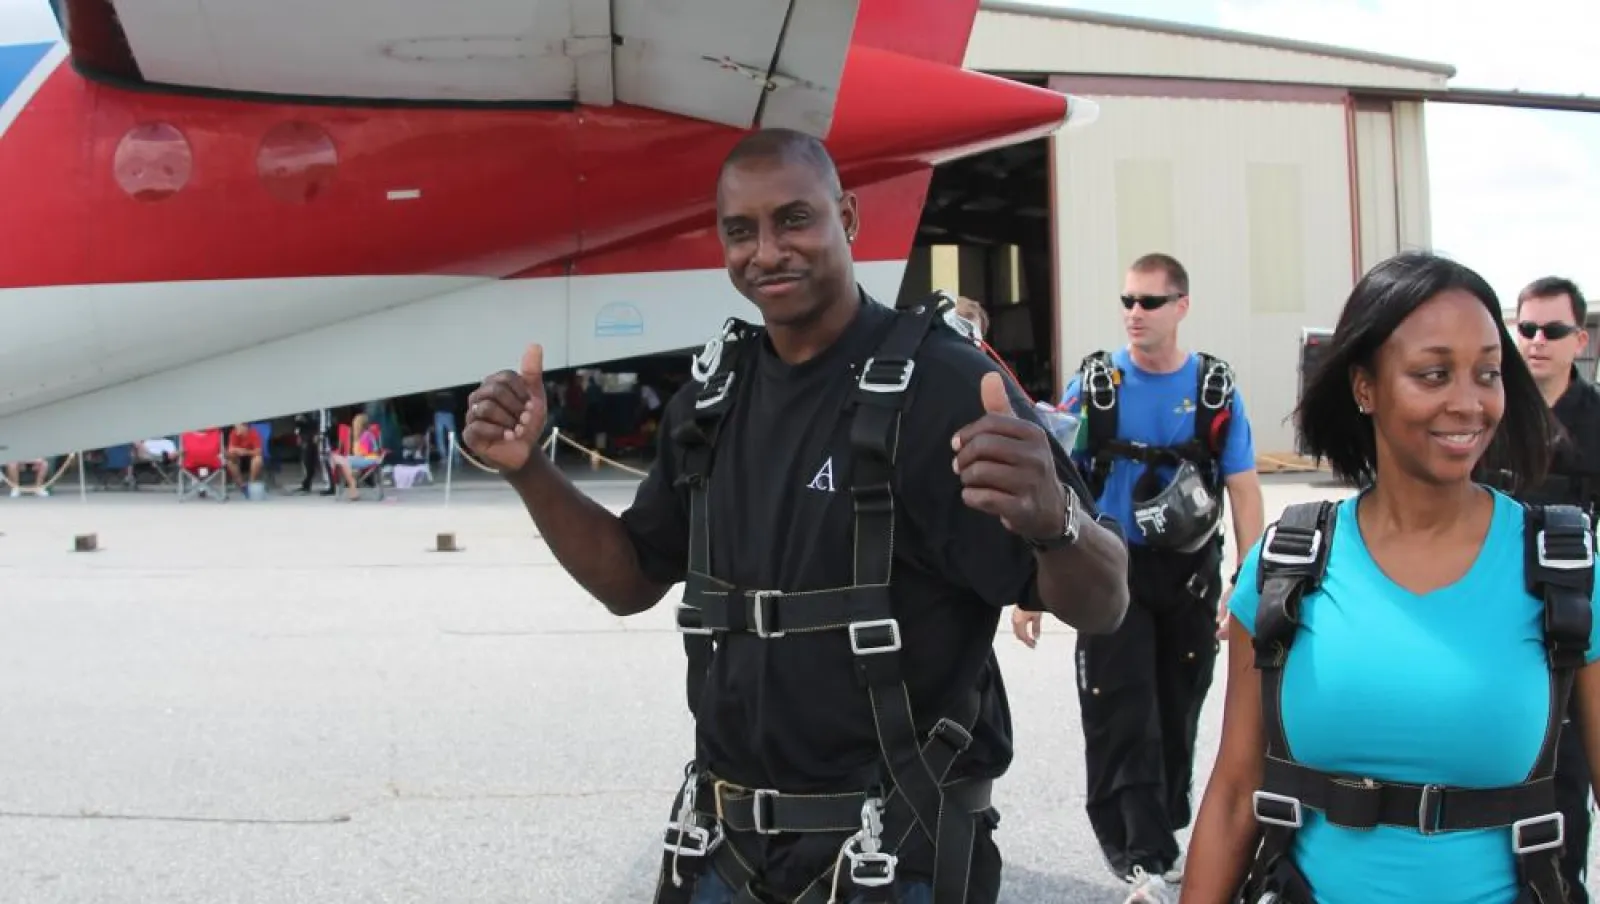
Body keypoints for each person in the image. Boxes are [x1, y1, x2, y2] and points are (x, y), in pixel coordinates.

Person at [460, 127, 1131, 904]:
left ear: (846, 217)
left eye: (793, 220)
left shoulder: (945, 386)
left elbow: (1105, 603)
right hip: (724, 850)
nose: (766, 251)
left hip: (893, 856)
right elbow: (630, 579)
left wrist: (1055, 524)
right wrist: (529, 470)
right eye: (739, 231)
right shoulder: (713, 400)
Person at [1180, 251, 1600, 904]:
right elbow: (1235, 795)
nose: (1468, 403)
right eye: (1433, 374)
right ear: (1364, 387)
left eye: (1487, 373)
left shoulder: (1561, 568)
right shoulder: (1286, 563)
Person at [1011, 252, 1264, 902]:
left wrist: (1252, 579)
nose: (1134, 314)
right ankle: (1138, 851)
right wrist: (1031, 585)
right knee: (1123, 710)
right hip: (1112, 570)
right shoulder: (1096, 385)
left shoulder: (1213, 389)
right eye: (1127, 301)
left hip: (1188, 574)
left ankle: (1162, 828)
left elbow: (1242, 486)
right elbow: (1051, 475)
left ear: (1181, 306)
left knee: (1178, 706)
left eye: (1149, 302)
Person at [1500, 275, 1600, 901]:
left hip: (1570, 622)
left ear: (1578, 339)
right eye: (1526, 328)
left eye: (1551, 330)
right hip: (1490, 615)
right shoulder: (1491, 411)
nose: (1535, 341)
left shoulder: (1596, 421)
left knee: (1567, 778)